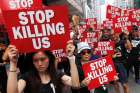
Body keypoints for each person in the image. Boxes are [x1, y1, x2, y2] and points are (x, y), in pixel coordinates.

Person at [7, 45, 80, 93]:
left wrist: (71, 58)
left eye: (43, 59)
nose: (40, 63)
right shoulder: (27, 77)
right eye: (35, 60)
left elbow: (76, 84)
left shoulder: (57, 74)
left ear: (49, 59)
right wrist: (13, 63)